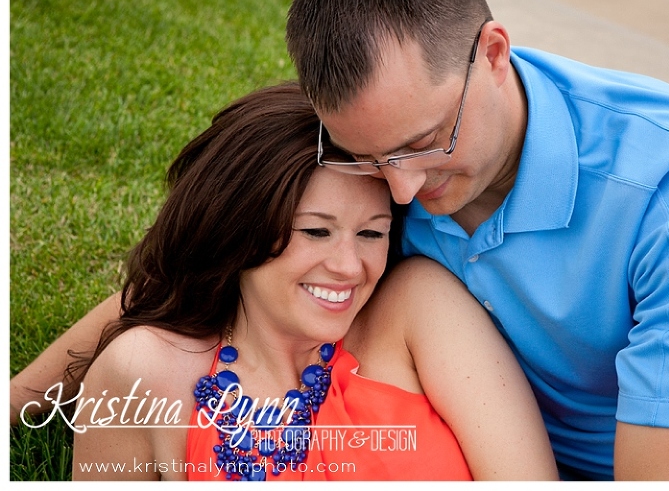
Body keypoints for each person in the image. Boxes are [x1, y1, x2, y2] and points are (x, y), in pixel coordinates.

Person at [281, 0, 669, 481]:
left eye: (424, 142)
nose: (401, 192)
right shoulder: (388, 133)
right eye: (368, 159)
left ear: (493, 54)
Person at [14, 83, 557, 482]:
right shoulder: (146, 372)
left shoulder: (419, 308)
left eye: (372, 234)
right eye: (316, 231)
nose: (349, 266)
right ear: (236, 228)